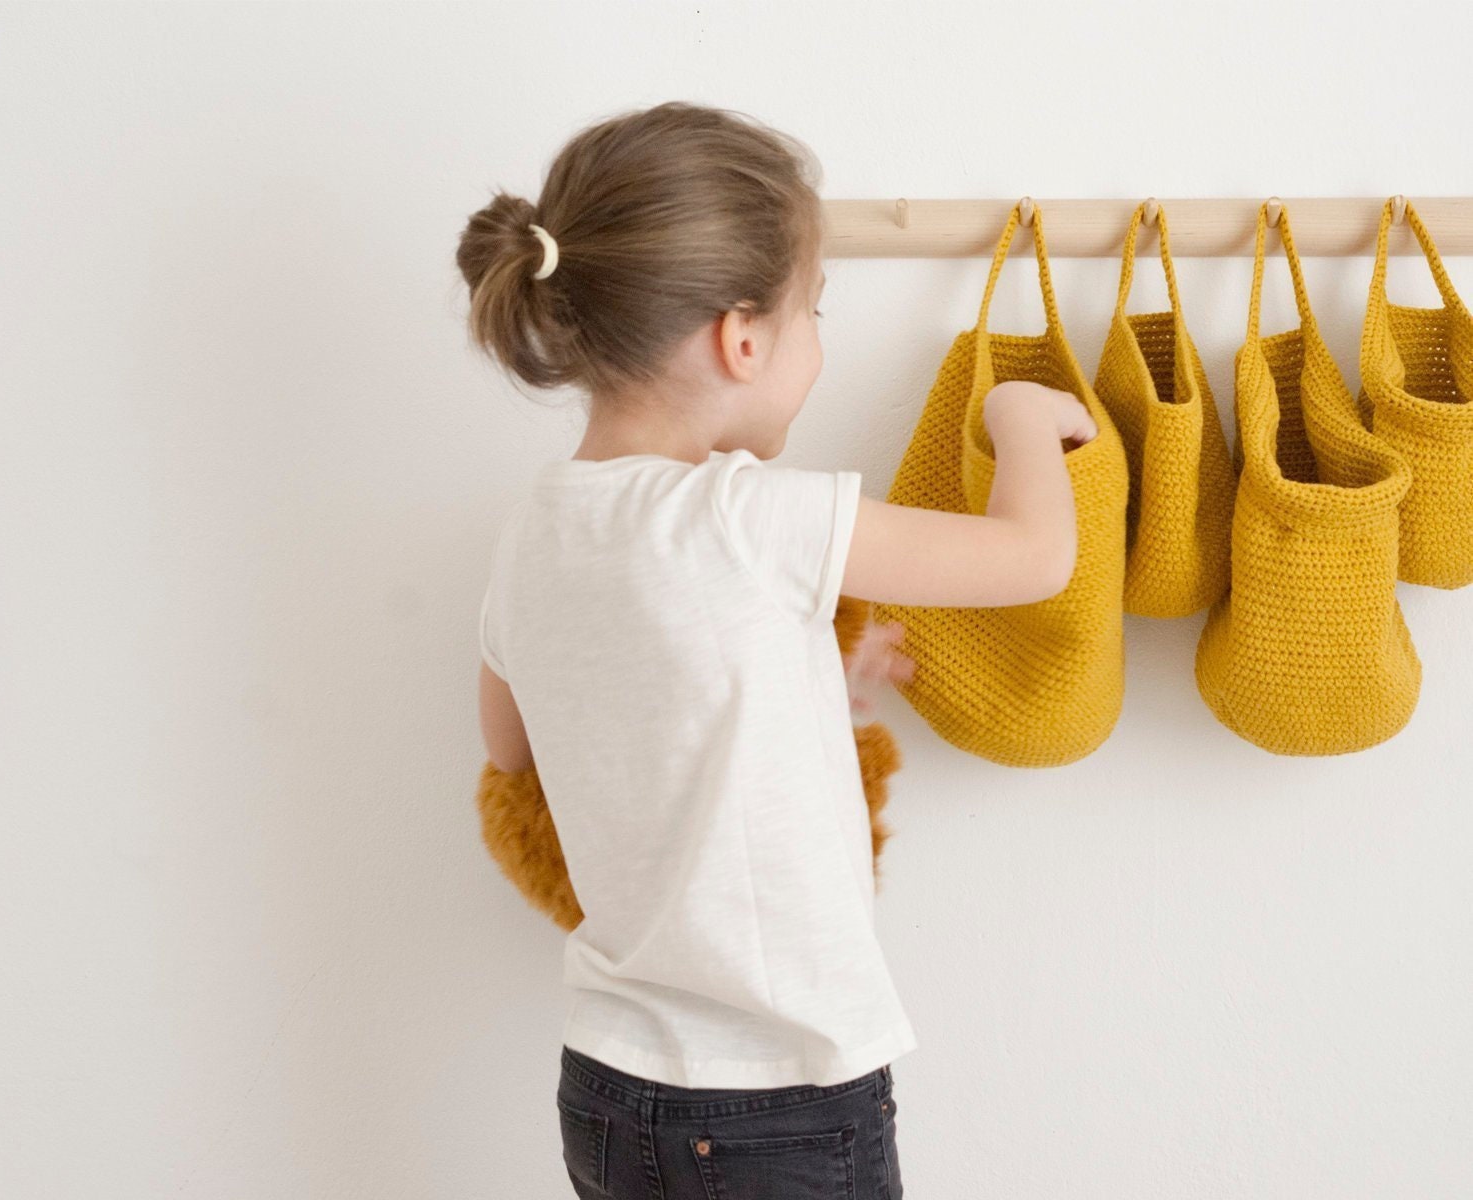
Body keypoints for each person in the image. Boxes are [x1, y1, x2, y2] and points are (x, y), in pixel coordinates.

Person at [458, 100, 1096, 1200]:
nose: (815, 343)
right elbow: (1032, 555)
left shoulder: (536, 533)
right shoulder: (752, 518)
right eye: (815, 311)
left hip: (611, 1092)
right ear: (741, 338)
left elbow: (521, 747)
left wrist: (804, 691)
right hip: (775, 1107)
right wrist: (1022, 420)